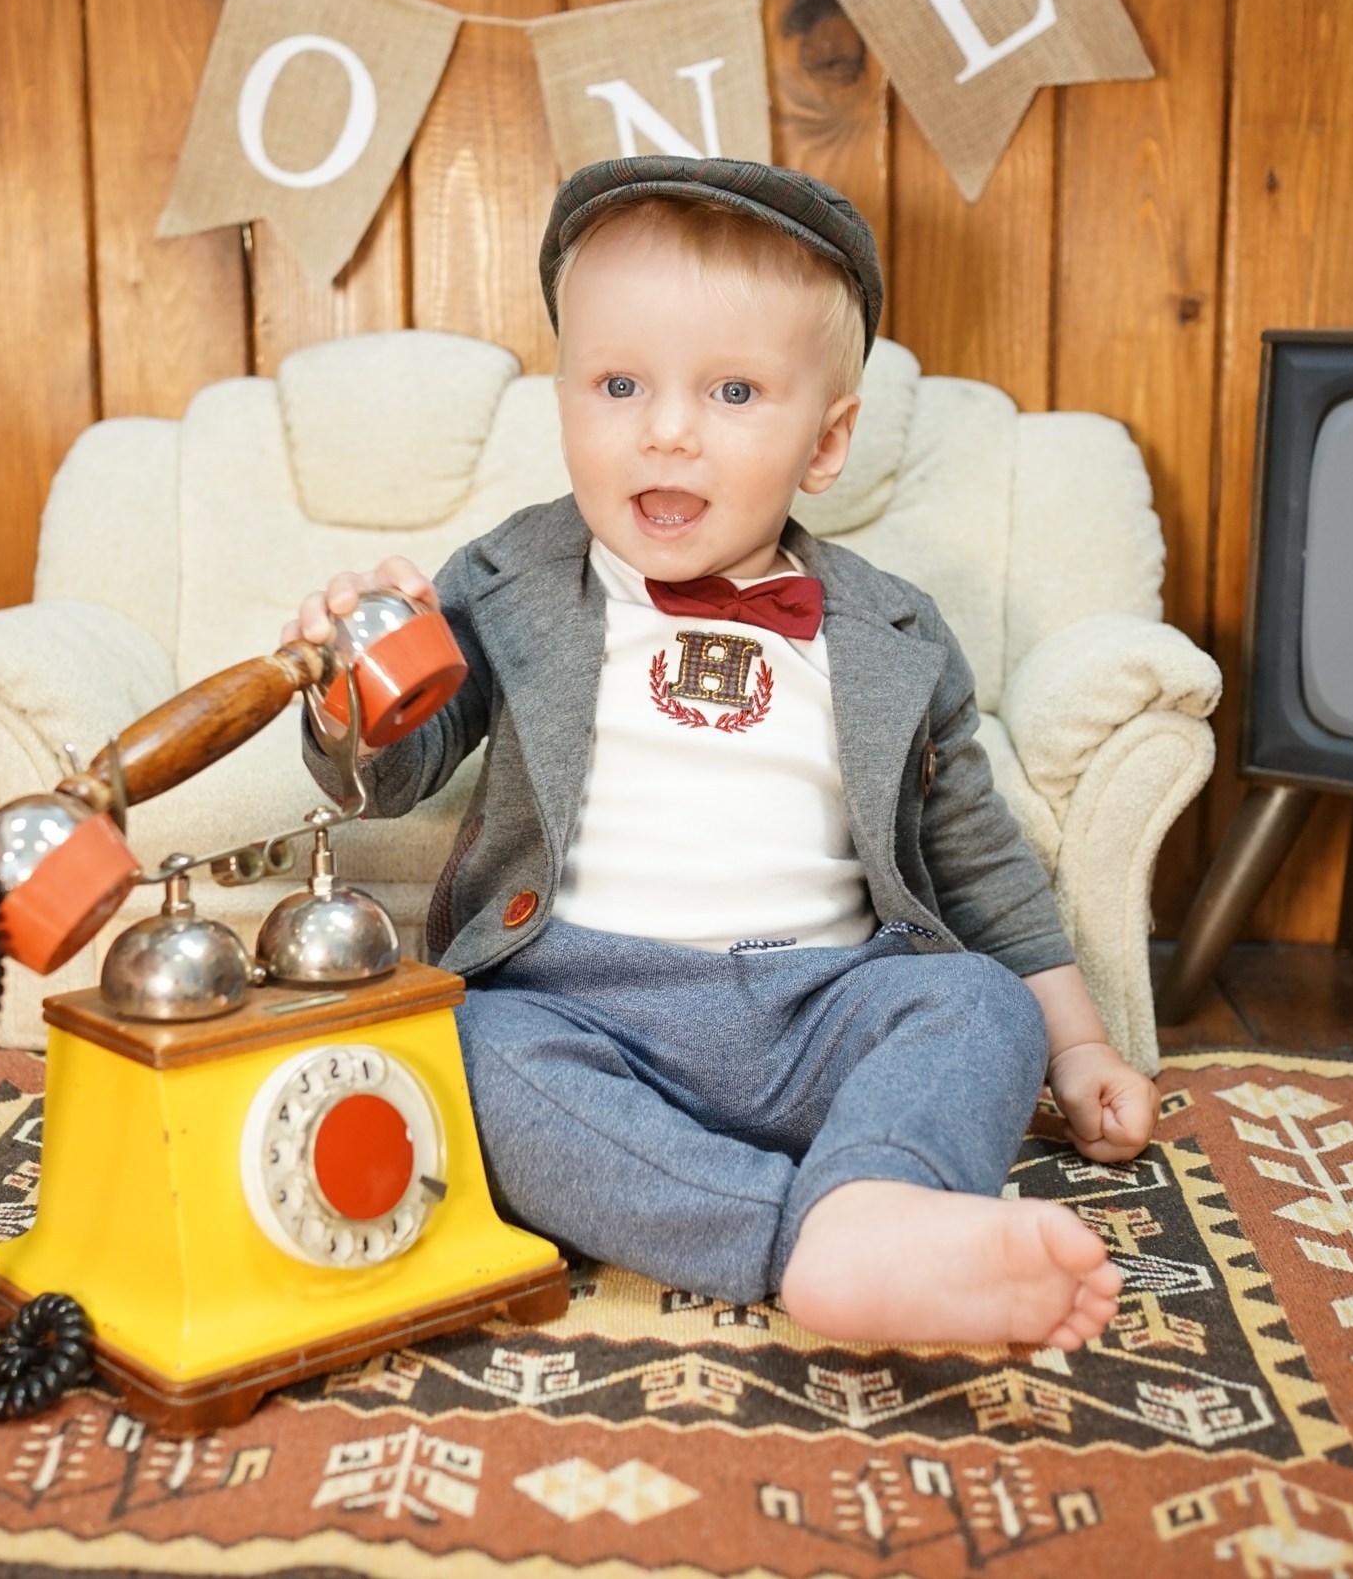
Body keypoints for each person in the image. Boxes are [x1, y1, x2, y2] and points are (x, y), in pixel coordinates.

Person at [291, 155, 1151, 1350]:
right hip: (579, 1004)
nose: (669, 432)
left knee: (974, 1005)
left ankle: (877, 1180)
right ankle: (820, 1241)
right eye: (619, 384)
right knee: (469, 1057)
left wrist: (1079, 1043)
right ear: (565, 401)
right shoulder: (509, 579)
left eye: (735, 393)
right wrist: (350, 690)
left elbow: (979, 862)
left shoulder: (892, 633)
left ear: (827, 438)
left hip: (820, 1008)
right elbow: (403, 763)